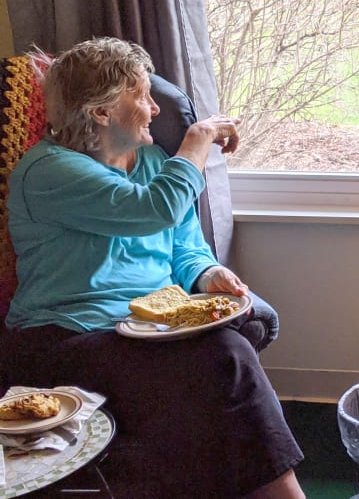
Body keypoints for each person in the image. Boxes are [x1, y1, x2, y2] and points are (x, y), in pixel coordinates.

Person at [0, 38, 305, 498]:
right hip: (62, 337)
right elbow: (153, 210)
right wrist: (198, 140)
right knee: (225, 358)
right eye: (141, 96)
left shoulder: (154, 163)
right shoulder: (47, 173)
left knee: (214, 372)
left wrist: (206, 274)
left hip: (146, 330)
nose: (154, 110)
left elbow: (183, 244)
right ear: (101, 113)